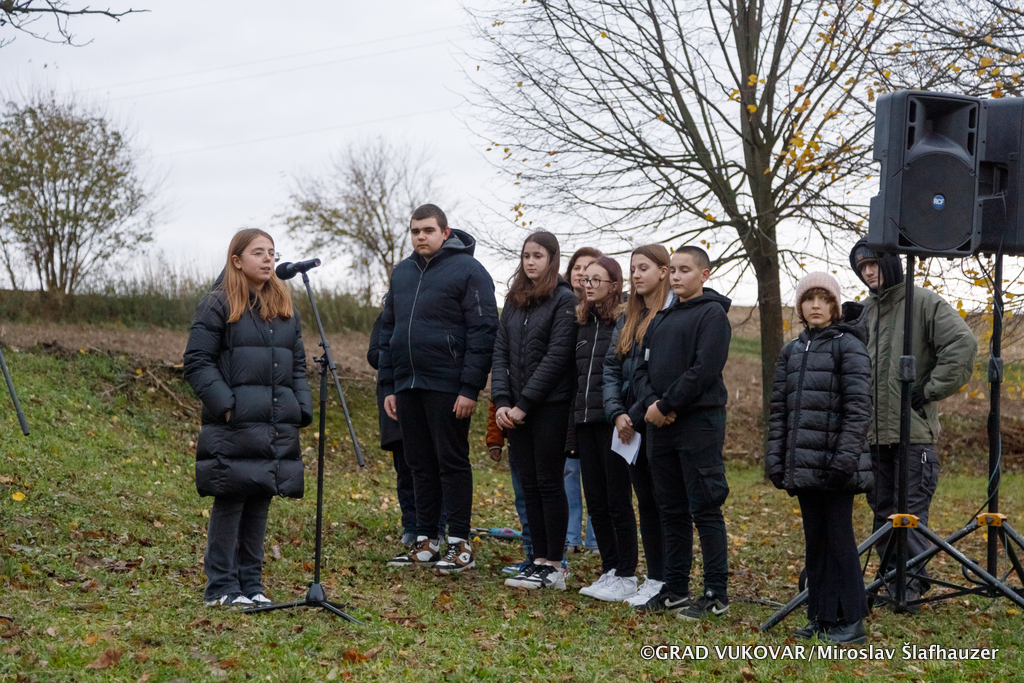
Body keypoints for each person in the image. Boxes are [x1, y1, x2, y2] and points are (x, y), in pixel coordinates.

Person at [184, 228, 313, 608]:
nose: (268, 259)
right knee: (232, 498)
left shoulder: (285, 308)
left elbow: (298, 365)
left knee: (261, 496)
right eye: (259, 252)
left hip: (275, 423)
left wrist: (301, 408)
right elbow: (197, 361)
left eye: (272, 252)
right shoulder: (217, 303)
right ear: (237, 260)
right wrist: (228, 405)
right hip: (235, 423)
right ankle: (221, 587)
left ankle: (251, 584)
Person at [849, 239, 977, 605]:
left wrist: (930, 390)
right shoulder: (863, 313)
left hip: (913, 434)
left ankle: (911, 584)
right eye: (862, 268)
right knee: (883, 513)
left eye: (873, 264)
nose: (868, 272)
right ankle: (889, 579)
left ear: (891, 263)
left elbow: (963, 344)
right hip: (873, 436)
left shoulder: (923, 303)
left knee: (909, 514)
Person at [380, 204, 499, 573]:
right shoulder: (402, 273)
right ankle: (426, 540)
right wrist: (389, 384)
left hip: (449, 383)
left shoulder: (469, 271)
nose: (421, 237)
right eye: (415, 231)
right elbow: (388, 330)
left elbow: (483, 331)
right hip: (407, 383)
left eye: (428, 230)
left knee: (451, 461)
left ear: (445, 232)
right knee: (418, 463)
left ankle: (459, 544)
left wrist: (470, 387)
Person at [766, 272, 874, 645]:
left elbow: (858, 410)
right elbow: (779, 411)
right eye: (809, 299)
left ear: (835, 306)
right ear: (800, 306)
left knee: (840, 538)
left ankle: (852, 619)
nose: (816, 305)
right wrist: (777, 460)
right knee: (816, 540)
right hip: (803, 465)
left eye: (824, 299)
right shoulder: (792, 351)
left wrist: (844, 460)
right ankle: (822, 615)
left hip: (837, 466)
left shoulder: (849, 347)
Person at [633, 245, 732, 619]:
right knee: (670, 509)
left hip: (698, 426)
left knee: (705, 508)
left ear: (704, 275)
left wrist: (666, 405)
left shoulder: (713, 316)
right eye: (672, 270)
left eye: (684, 270)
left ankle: (715, 593)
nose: (675, 276)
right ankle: (675, 589)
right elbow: (639, 369)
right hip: (660, 427)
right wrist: (651, 404)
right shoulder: (661, 317)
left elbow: (704, 370)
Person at [491, 231, 578, 590]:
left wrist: (524, 404)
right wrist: (502, 401)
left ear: (552, 259)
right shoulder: (514, 299)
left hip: (549, 407)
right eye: (526, 255)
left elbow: (557, 358)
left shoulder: (565, 299)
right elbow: (500, 351)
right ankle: (537, 559)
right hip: (514, 409)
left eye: (538, 256)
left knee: (548, 482)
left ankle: (555, 565)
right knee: (528, 484)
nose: (530, 262)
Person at [603, 245, 673, 607]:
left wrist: (632, 412)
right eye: (633, 269)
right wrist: (617, 413)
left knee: (662, 502)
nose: (636, 274)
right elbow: (611, 368)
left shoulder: (671, 313)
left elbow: (657, 373)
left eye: (644, 268)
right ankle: (654, 577)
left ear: (664, 271)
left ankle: (667, 578)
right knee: (644, 500)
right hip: (627, 424)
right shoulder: (627, 317)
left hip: (656, 419)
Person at [573, 256, 641, 602]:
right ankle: (610, 568)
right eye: (586, 280)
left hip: (613, 423)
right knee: (596, 502)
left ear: (614, 285)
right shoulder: (582, 323)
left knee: (617, 500)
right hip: (585, 422)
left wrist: (622, 413)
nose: (588, 285)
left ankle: (627, 572)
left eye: (596, 280)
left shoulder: (625, 322)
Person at [368, 312, 446, 554]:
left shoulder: (434, 315)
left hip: (430, 395)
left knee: (436, 468)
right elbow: (374, 355)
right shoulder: (385, 317)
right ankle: (411, 525)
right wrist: (401, 352)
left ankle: (438, 527)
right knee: (405, 470)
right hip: (396, 402)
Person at [562, 247, 602, 555]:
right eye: (577, 267)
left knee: (596, 474)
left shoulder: (604, 314)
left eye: (589, 268)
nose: (582, 273)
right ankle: (570, 535)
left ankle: (595, 539)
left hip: (595, 402)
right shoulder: (561, 306)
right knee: (569, 471)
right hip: (566, 401)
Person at [487, 399, 534, 573]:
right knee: (522, 501)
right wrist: (494, 440)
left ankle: (552, 557)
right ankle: (531, 555)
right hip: (515, 440)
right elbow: (497, 400)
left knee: (542, 497)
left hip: (542, 436)